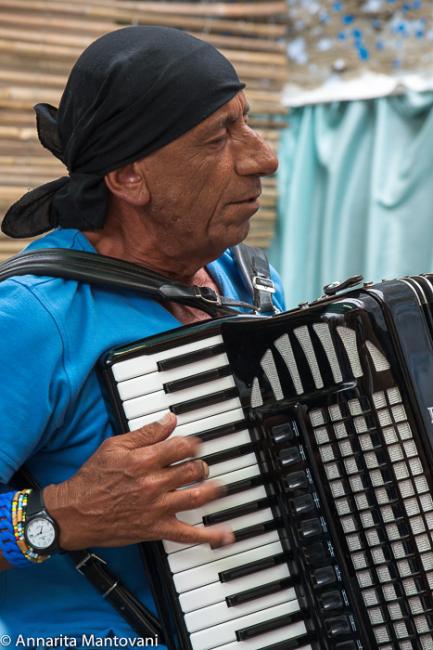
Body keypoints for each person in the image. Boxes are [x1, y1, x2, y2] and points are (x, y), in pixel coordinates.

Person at [0, 25, 283, 647]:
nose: (263, 157)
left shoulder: (249, 283)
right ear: (129, 179)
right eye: (219, 138)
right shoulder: (30, 318)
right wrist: (60, 515)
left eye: (247, 122)